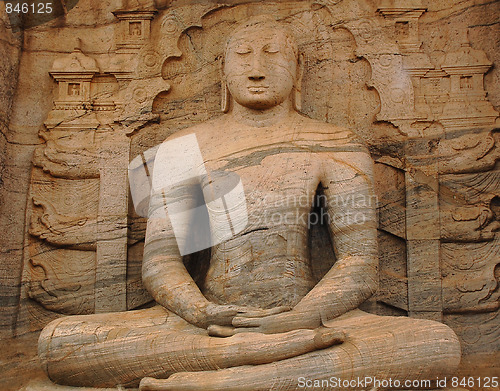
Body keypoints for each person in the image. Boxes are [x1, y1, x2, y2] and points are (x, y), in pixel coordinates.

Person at [38, 17, 461, 391]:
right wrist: (202, 312)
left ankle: (222, 379)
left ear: (298, 72)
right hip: (209, 325)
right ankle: (262, 363)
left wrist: (299, 318)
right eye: (242, 56)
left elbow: (359, 264)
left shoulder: (335, 145)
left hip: (309, 318)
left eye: (273, 55)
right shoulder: (185, 147)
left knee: (435, 345)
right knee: (58, 343)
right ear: (224, 73)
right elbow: (161, 262)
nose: (256, 68)